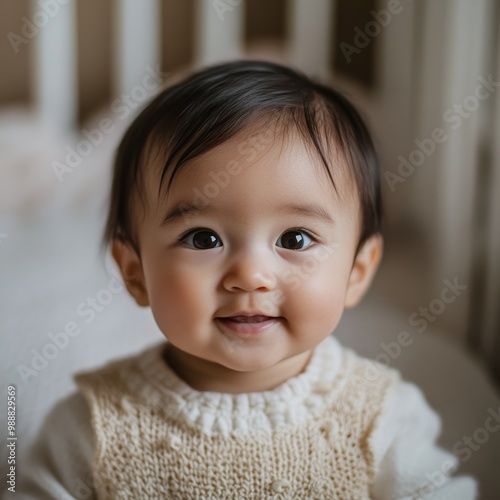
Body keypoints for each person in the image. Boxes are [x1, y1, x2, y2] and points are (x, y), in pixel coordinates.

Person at [19, 60, 477, 499]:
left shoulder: (382, 419)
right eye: (202, 238)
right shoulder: (93, 426)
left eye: (295, 239)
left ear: (357, 273)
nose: (250, 276)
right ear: (135, 273)